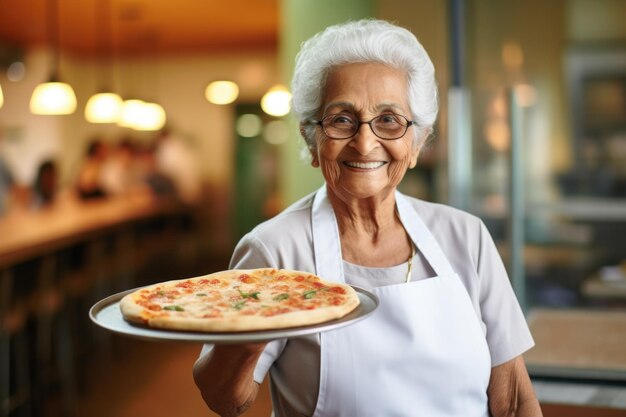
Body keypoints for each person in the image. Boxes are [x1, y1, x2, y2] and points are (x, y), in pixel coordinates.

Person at [193, 19, 541, 417]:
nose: (364, 141)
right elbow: (226, 401)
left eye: (389, 119)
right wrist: (253, 325)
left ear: (416, 144)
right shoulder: (274, 249)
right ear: (312, 141)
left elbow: (512, 398)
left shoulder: (465, 236)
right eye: (341, 119)